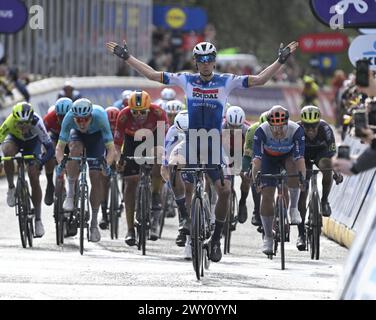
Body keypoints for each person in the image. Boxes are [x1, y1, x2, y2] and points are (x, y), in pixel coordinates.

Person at [107, 38, 299, 262]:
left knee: (225, 191)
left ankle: (216, 238)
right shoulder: (186, 79)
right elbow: (152, 75)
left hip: (214, 143)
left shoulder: (226, 81)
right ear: (196, 62)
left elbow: (260, 79)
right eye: (201, 59)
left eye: (209, 59)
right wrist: (126, 57)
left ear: (214, 61)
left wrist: (280, 61)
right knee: (172, 168)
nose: (206, 63)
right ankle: (186, 219)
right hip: (192, 140)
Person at [55, 98, 116, 243]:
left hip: (96, 139)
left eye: (85, 119)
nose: (82, 123)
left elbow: (111, 150)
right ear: (73, 117)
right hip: (77, 137)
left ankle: (94, 224)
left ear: (91, 116)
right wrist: (61, 163)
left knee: (95, 176)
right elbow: (60, 148)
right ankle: (70, 194)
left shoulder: (100, 116)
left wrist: (106, 165)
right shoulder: (69, 118)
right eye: (79, 120)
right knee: (73, 151)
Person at [114, 90, 169, 245]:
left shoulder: (158, 113)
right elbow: (117, 146)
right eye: (135, 113)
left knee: (159, 158)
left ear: (149, 108)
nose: (138, 116)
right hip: (132, 140)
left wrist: (163, 158)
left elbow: (165, 141)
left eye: (142, 112)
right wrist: (119, 160)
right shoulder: (124, 115)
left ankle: (156, 193)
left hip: (154, 137)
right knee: (130, 183)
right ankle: (130, 229)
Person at [252, 105, 306, 255]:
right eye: (274, 127)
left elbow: (300, 158)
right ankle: (268, 237)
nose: (278, 131)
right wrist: (256, 180)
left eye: (281, 127)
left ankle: (293, 208)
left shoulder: (295, 130)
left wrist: (303, 178)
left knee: (293, 166)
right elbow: (257, 160)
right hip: (269, 159)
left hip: (288, 156)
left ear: (286, 123)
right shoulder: (261, 131)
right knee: (267, 196)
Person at [0, 102, 55, 237]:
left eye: (26, 124)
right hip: (15, 140)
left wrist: (40, 162)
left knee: (33, 175)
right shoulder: (9, 122)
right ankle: (12, 188)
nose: (23, 127)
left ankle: (38, 219)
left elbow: (50, 148)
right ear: (15, 120)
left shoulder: (37, 122)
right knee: (7, 153)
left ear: (31, 120)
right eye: (20, 124)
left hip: (33, 143)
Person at [296, 106, 341, 251]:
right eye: (307, 126)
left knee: (327, 166)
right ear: (302, 123)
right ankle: (301, 233)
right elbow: (291, 155)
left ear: (318, 123)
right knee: (302, 191)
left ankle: (324, 201)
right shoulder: (296, 129)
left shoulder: (325, 129)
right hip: (303, 156)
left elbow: (333, 154)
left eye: (313, 125)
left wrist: (336, 171)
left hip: (320, 153)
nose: (310, 129)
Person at [161, 110, 194, 259]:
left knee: (192, 189)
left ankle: (209, 215)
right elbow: (165, 165)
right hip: (180, 156)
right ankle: (185, 231)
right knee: (182, 191)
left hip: (197, 154)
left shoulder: (200, 128)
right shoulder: (172, 131)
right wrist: (171, 184)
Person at [222, 105, 250, 224]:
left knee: (246, 177)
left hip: (241, 152)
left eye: (237, 127)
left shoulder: (247, 129)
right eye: (231, 126)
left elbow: (249, 150)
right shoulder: (220, 127)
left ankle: (242, 202)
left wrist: (243, 168)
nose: (233, 129)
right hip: (224, 152)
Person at [43, 97, 73, 205]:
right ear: (56, 114)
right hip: (56, 138)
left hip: (70, 138)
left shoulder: (77, 117)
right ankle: (50, 184)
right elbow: (41, 136)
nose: (63, 119)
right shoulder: (49, 118)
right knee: (47, 149)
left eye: (65, 116)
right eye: (60, 116)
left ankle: (73, 188)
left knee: (75, 152)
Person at [242, 111, 268, 227]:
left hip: (274, 155)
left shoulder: (280, 131)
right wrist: (246, 169)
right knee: (253, 175)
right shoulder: (252, 130)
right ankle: (257, 210)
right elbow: (248, 154)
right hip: (257, 155)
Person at [99, 106, 120, 229]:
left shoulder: (122, 126)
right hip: (105, 150)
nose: (112, 127)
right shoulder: (101, 127)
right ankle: (103, 213)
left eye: (114, 125)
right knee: (103, 178)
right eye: (109, 124)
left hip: (117, 148)